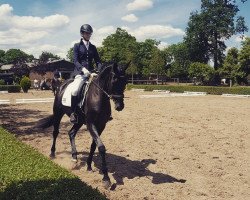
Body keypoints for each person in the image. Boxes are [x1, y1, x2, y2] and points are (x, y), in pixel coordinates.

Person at [70, 24, 102, 124]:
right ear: (82, 33)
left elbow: (98, 61)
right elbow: (75, 61)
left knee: (102, 88)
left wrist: (98, 70)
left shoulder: (93, 47)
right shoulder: (77, 46)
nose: (88, 35)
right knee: (75, 90)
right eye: (86, 33)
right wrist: (83, 69)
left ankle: (104, 112)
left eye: (89, 33)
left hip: (92, 73)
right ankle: (73, 113)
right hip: (80, 73)